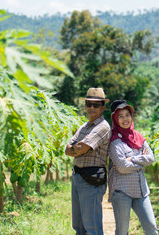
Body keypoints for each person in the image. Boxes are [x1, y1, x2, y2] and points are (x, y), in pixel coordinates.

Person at [65, 87, 111, 235]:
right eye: (88, 103)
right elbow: (68, 150)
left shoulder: (102, 127)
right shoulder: (84, 126)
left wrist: (76, 148)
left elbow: (81, 147)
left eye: (96, 105)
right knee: (78, 226)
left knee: (92, 227)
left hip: (91, 179)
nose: (91, 107)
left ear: (103, 107)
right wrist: (75, 148)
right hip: (78, 176)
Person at [108, 100, 158, 235]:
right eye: (120, 116)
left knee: (152, 227)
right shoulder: (114, 141)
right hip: (122, 191)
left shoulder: (139, 137)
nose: (125, 119)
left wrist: (133, 159)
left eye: (127, 115)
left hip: (141, 191)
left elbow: (151, 158)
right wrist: (141, 165)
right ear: (115, 118)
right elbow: (122, 166)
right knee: (122, 231)